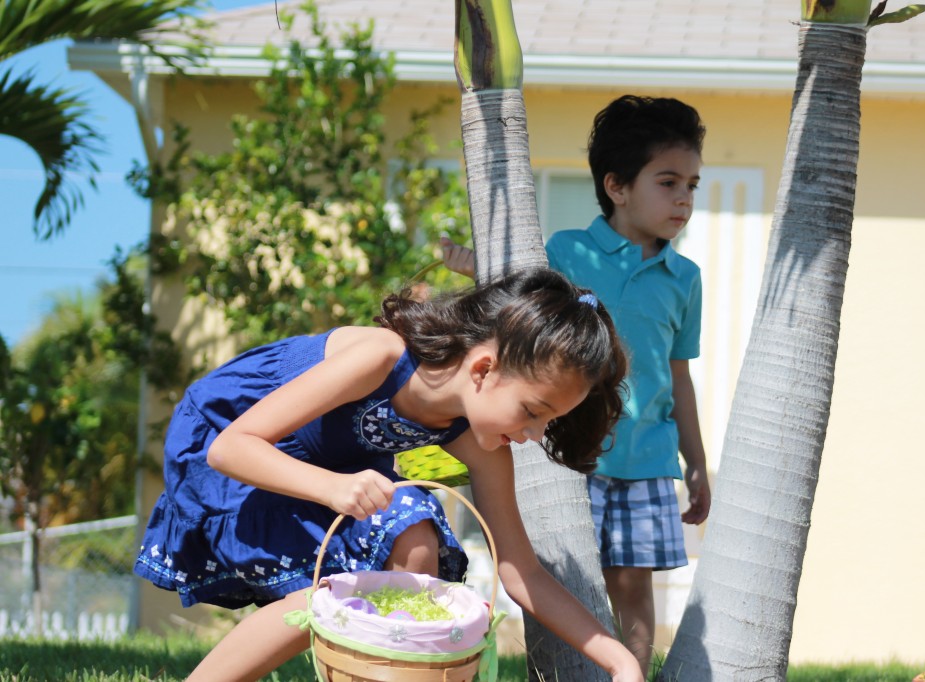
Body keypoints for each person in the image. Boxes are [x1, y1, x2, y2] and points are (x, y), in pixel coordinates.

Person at [133, 268, 643, 682]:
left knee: (413, 544)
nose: (534, 433)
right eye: (532, 411)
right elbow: (231, 449)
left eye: (547, 422)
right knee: (342, 583)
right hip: (238, 443)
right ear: (484, 370)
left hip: (330, 469)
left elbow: (521, 572)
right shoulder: (382, 357)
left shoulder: (481, 441)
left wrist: (617, 658)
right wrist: (332, 488)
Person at [441, 94, 712, 677]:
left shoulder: (685, 278)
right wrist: (470, 263)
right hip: (570, 458)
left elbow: (679, 375)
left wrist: (696, 462)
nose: (684, 198)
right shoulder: (568, 250)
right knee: (569, 575)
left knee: (633, 586)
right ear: (616, 186)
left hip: (647, 460)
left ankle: (629, 672)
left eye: (692, 183)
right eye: (668, 182)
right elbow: (518, 290)